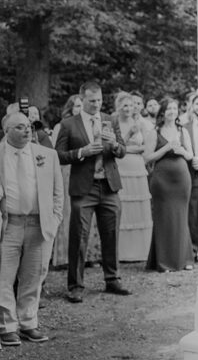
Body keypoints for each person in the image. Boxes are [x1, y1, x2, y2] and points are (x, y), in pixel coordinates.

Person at [55, 82, 130, 301]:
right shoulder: (68, 124)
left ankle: (112, 279)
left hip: (109, 186)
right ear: (82, 99)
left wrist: (115, 144)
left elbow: (122, 150)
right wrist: (82, 152)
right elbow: (58, 154)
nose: (97, 104)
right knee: (79, 235)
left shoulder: (110, 119)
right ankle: (75, 285)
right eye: (92, 101)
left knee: (111, 232)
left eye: (99, 100)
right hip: (83, 188)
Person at [0, 112, 64, 347]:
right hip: (9, 224)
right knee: (3, 277)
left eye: (28, 126)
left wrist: (55, 219)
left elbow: (58, 192)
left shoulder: (47, 155)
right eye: (19, 127)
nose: (27, 130)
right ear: (6, 131)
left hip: (39, 224)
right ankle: (7, 326)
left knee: (34, 275)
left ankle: (28, 322)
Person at [143, 98, 195, 272]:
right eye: (169, 109)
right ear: (163, 112)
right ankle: (164, 261)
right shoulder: (154, 132)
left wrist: (181, 151)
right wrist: (166, 148)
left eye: (174, 108)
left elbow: (190, 155)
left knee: (181, 217)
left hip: (181, 180)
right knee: (164, 218)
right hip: (162, 180)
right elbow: (147, 157)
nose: (172, 111)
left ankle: (185, 258)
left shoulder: (183, 131)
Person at [112, 92, 152, 262]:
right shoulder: (115, 123)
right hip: (121, 167)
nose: (128, 109)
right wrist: (127, 139)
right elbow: (115, 147)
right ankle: (122, 252)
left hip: (138, 167)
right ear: (118, 107)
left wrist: (128, 147)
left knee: (139, 207)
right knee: (124, 207)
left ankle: (141, 251)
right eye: (125, 106)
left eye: (131, 105)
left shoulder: (139, 123)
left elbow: (145, 147)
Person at [49, 95, 82, 271]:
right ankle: (62, 256)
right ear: (70, 108)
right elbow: (56, 152)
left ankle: (83, 255)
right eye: (77, 106)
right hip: (66, 169)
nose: (79, 109)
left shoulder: (86, 126)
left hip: (82, 171)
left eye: (81, 106)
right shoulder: (62, 126)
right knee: (65, 212)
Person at [181, 92, 198, 259]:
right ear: (192, 106)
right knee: (193, 211)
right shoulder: (185, 127)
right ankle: (194, 248)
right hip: (192, 174)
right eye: (197, 104)